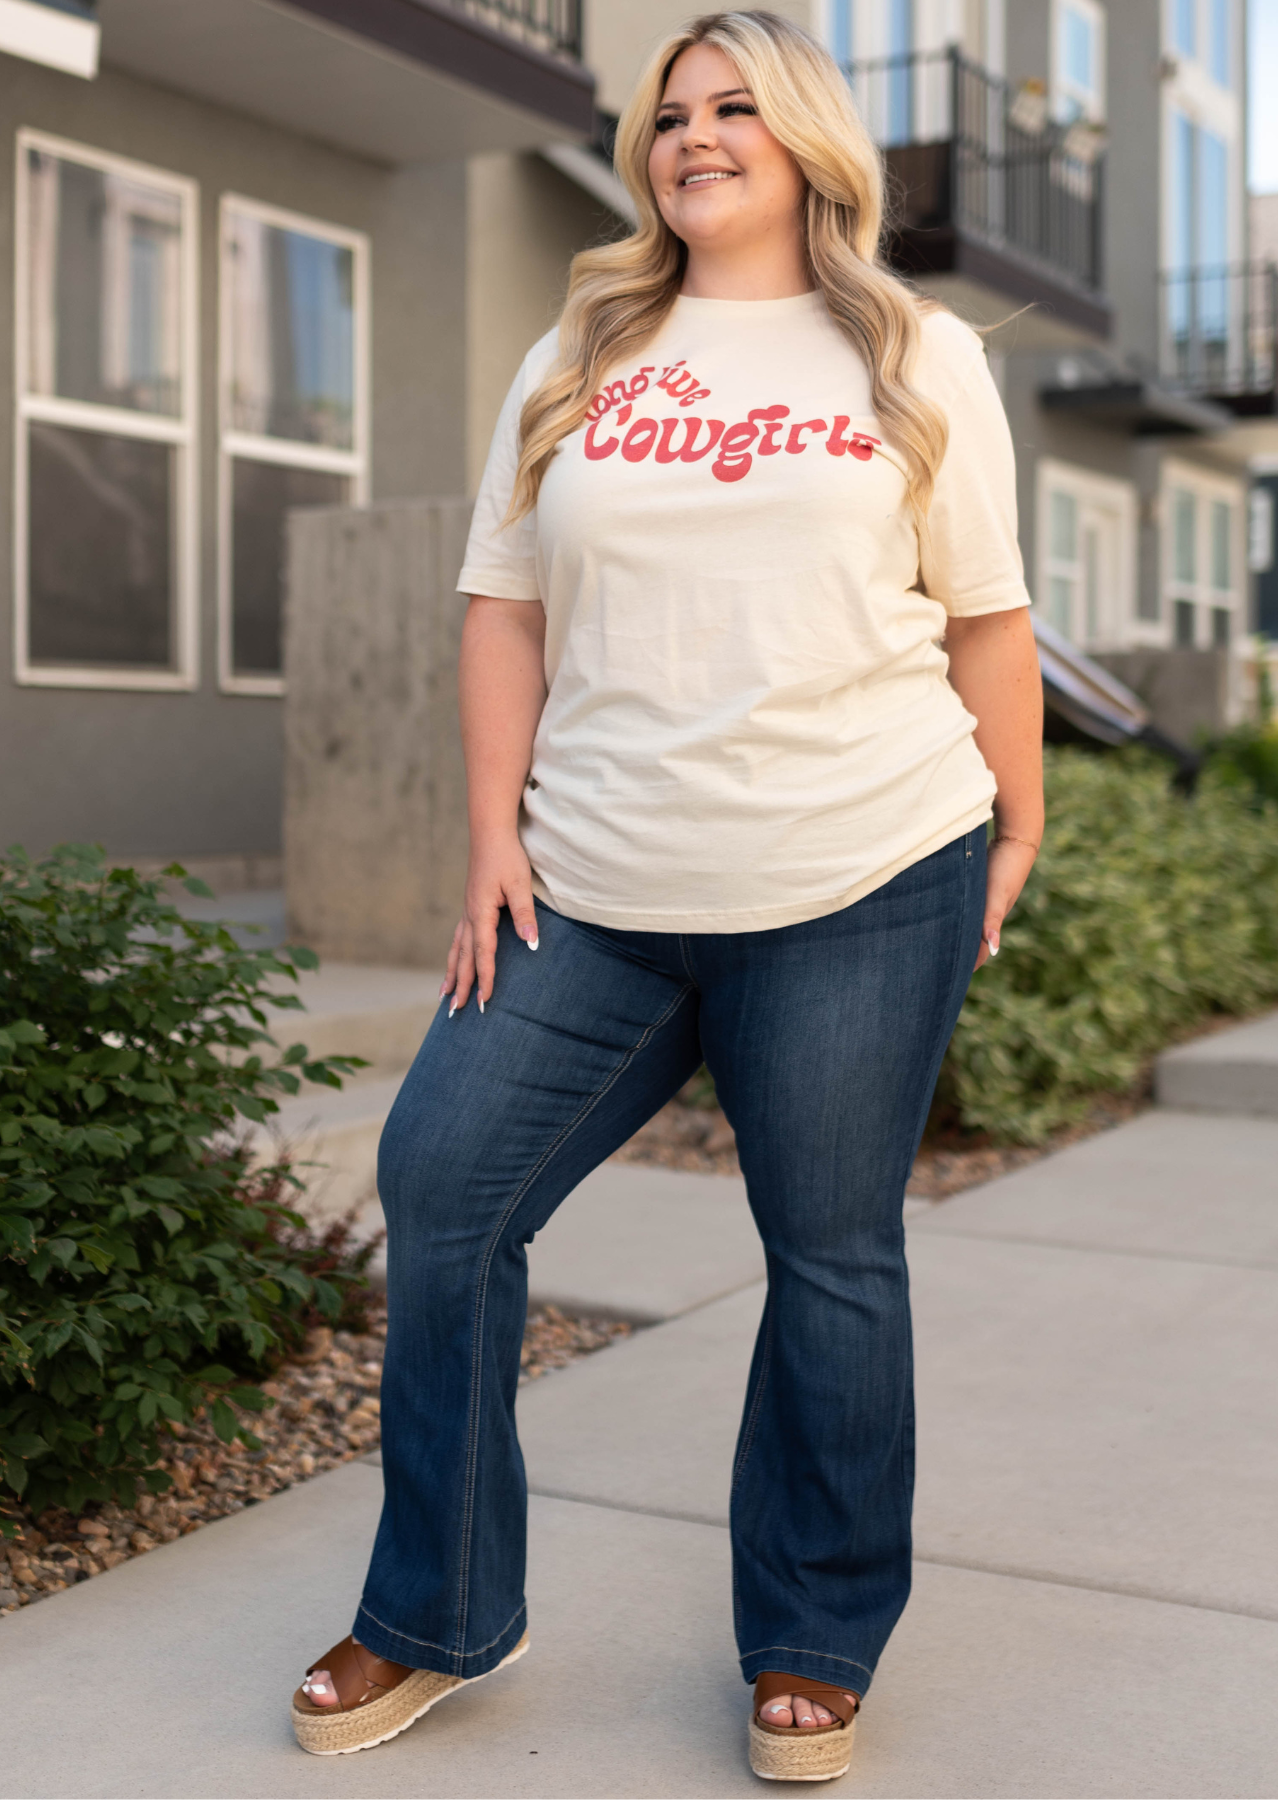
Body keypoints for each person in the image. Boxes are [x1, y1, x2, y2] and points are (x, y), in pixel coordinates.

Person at [289, 8, 1043, 1781]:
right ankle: (437, 1611)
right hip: (597, 889)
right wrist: (492, 835)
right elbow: (501, 608)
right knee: (443, 1184)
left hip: (859, 871)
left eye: (732, 109)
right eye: (668, 113)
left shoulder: (916, 355)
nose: (693, 136)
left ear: (802, 140)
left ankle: (812, 1638)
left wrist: (1014, 824)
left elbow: (991, 615)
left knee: (830, 1259)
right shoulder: (577, 347)